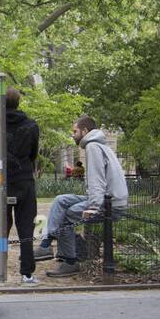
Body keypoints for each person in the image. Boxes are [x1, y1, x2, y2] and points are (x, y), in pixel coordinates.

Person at [36, 115, 128, 277]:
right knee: (60, 200)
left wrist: (93, 207)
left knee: (67, 215)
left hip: (110, 204)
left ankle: (70, 261)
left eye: (75, 131)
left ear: (85, 131)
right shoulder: (99, 145)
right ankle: (46, 245)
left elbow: (97, 180)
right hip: (105, 198)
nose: (73, 135)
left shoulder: (93, 146)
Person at [4, 88, 40, 286]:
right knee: (26, 227)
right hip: (24, 179)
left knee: (0, 227)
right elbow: (33, 153)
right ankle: (27, 274)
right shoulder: (31, 125)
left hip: (0, 180)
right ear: (19, 103)